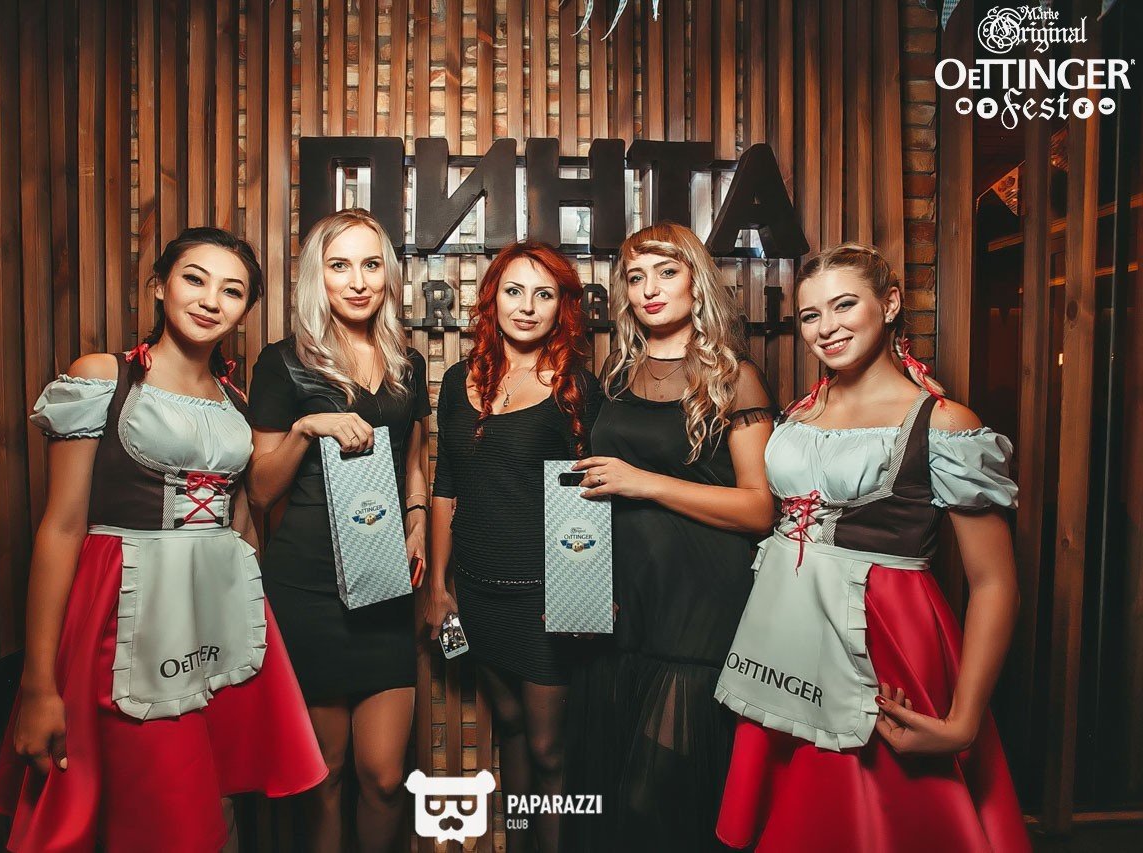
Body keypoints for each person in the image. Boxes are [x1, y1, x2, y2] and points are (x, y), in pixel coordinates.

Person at [0, 227, 327, 853]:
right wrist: (38, 684)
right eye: (194, 278)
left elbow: (240, 525)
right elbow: (61, 527)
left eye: (232, 291)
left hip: (218, 614)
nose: (210, 300)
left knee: (216, 799)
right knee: (158, 807)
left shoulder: (235, 399)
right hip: (128, 609)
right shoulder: (103, 377)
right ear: (159, 286)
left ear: (245, 310)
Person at [715, 243, 1029, 852]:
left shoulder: (943, 422)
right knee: (801, 816)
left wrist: (963, 722)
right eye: (810, 315)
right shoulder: (800, 412)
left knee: (876, 814)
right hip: (786, 631)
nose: (825, 328)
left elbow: (995, 583)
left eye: (844, 305)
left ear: (889, 304)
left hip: (883, 635)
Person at [562, 222, 778, 851]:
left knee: (656, 799)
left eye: (666, 272)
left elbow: (760, 508)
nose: (650, 289)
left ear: (696, 282)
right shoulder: (617, 374)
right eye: (636, 277)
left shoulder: (735, 377)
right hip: (627, 605)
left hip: (699, 605)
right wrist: (579, 589)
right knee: (612, 793)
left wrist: (646, 482)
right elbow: (594, 492)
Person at [246, 208, 429, 853]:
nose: (357, 281)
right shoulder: (282, 363)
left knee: (384, 777)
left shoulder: (407, 362)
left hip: (384, 582)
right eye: (340, 265)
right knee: (325, 775)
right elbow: (260, 489)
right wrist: (305, 429)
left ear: (388, 275)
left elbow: (413, 462)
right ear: (315, 276)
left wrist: (417, 520)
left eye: (371, 265)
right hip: (309, 585)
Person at [423, 241, 602, 852]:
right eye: (514, 291)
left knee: (549, 748)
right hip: (477, 590)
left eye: (543, 294)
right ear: (492, 299)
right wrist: (439, 586)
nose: (527, 307)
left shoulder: (575, 387)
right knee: (512, 730)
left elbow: (593, 494)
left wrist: (583, 597)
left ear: (562, 307)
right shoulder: (457, 381)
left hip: (547, 599)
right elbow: (446, 483)